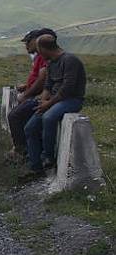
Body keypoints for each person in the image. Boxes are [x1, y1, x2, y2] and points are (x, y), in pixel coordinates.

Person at [24, 35, 86, 175]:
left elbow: (67, 88)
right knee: (30, 128)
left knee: (48, 117)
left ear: (45, 49)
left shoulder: (70, 60)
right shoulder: (51, 63)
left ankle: (48, 157)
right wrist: (43, 100)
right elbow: (48, 85)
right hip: (54, 100)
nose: (38, 53)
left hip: (71, 100)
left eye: (39, 50)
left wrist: (49, 104)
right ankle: (35, 166)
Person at [7, 28, 55, 160]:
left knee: (15, 116)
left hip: (41, 97)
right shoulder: (39, 57)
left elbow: (43, 78)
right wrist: (27, 86)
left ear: (36, 41)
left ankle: (22, 152)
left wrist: (27, 94)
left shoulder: (44, 56)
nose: (26, 45)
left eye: (28, 42)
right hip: (39, 94)